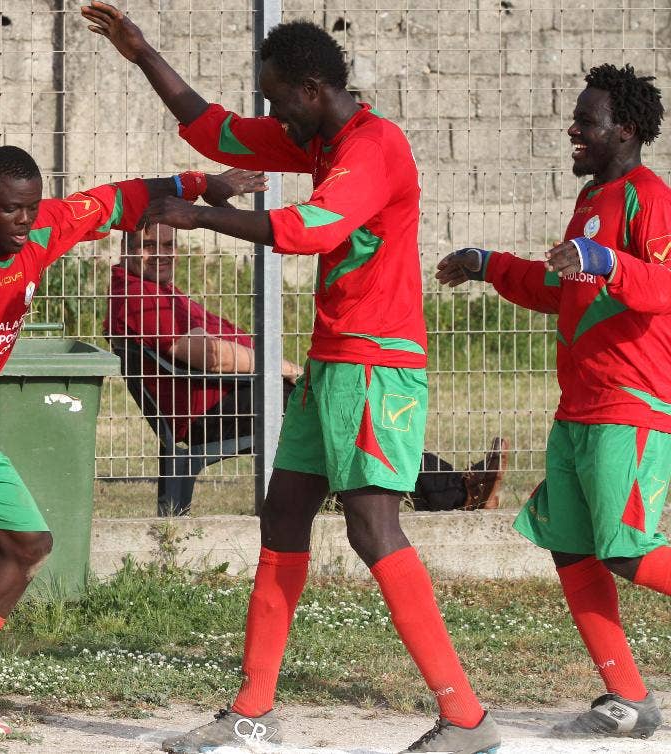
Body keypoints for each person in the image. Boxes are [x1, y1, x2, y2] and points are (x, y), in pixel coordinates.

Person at [81, 5, 500, 753]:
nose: (271, 114)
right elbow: (218, 131)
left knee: (374, 531)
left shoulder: (373, 148)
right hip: (334, 364)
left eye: (278, 99)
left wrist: (203, 218)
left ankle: (465, 716)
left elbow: (314, 230)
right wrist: (141, 53)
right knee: (282, 520)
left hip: (376, 367)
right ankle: (252, 710)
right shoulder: (320, 133)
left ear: (311, 88)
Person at [0, 145, 257, 740]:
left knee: (29, 544)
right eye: (9, 211)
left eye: (31, 209)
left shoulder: (39, 231)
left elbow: (118, 200)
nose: (24, 223)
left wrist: (203, 181)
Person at [437, 63, 670, 741]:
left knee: (625, 552)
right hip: (579, 410)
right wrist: (488, 265)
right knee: (570, 547)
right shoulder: (592, 200)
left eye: (586, 121)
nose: (573, 130)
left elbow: (660, 285)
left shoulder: (647, 195)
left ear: (623, 130)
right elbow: (559, 286)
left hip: (630, 406)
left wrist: (604, 263)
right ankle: (627, 699)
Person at [108, 222, 510, 515]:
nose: (161, 253)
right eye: (147, 245)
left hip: (230, 396)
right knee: (341, 415)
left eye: (167, 243)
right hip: (217, 408)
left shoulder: (152, 289)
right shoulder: (137, 294)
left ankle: (446, 488)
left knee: (344, 413)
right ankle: (456, 491)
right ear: (125, 250)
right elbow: (211, 356)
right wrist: (281, 368)